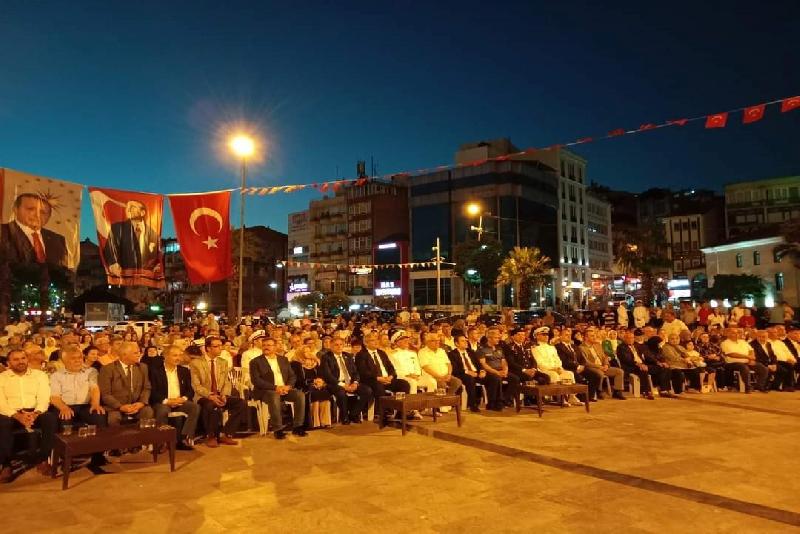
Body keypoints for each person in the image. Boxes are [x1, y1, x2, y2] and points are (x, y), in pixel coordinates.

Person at [0, 349, 59, 481]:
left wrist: (36, 413)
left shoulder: (39, 375)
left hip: (35, 411)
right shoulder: (2, 378)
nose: (20, 361)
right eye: (16, 359)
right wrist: (17, 415)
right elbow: (1, 402)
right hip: (10, 413)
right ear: (8, 363)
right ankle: (6, 464)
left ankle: (43, 459)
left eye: (23, 358)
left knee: (50, 419)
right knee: (3, 423)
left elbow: (44, 396)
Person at [48, 345, 108, 465]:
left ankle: (98, 454)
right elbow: (54, 397)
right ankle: (66, 456)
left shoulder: (91, 371)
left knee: (99, 415)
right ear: (64, 361)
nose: (78, 361)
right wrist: (64, 407)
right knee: (65, 419)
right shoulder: (56, 376)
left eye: (79, 358)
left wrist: (95, 403)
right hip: (64, 405)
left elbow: (94, 388)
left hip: (85, 405)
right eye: (73, 358)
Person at [190, 336, 245, 447]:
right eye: (217, 346)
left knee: (241, 403)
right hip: (203, 395)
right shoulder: (196, 363)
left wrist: (224, 394)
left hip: (220, 394)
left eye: (221, 346)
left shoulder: (223, 362)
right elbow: (196, 386)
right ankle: (211, 436)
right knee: (211, 405)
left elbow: (226, 381)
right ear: (208, 348)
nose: (221, 348)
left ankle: (227, 433)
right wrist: (210, 396)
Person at [250, 338, 307, 439]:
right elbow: (256, 380)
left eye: (269, 345)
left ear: (275, 347)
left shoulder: (283, 359)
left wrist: (288, 386)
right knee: (274, 395)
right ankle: (278, 429)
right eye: (264, 345)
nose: (266, 347)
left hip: (284, 389)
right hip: (266, 391)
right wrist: (275, 387)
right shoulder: (255, 362)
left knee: (300, 395)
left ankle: (298, 426)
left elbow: (292, 376)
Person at [149, 345, 199, 450]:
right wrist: (167, 401)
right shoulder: (155, 371)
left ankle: (184, 438)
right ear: (166, 356)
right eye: (175, 355)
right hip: (163, 402)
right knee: (162, 411)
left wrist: (183, 399)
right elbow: (152, 391)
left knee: (194, 407)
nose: (178, 358)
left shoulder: (184, 371)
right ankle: (162, 441)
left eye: (180, 355)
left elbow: (190, 390)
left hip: (180, 401)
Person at [0, 192, 68, 267]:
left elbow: (63, 269)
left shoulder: (58, 240)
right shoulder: (3, 232)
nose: (37, 215)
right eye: (31, 209)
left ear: (49, 216)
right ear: (15, 209)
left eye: (42, 212)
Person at [98, 341, 155, 425]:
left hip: (137, 405)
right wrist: (120, 407)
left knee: (148, 412)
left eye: (139, 352)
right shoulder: (108, 369)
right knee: (114, 418)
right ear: (124, 355)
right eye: (135, 353)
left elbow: (146, 388)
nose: (139, 355)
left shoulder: (143, 367)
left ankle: (143, 434)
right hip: (115, 407)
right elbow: (106, 394)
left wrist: (141, 403)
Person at [319, 337, 372, 425]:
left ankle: (353, 414)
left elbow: (355, 372)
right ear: (331, 346)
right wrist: (343, 385)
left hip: (350, 382)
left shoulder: (347, 356)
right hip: (335, 383)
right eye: (336, 345)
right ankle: (344, 416)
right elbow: (328, 375)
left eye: (341, 345)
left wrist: (355, 383)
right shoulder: (326, 357)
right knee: (341, 393)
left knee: (367, 390)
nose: (339, 347)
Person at [355, 332, 410, 413]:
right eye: (373, 340)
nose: (376, 342)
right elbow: (363, 372)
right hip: (373, 380)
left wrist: (391, 376)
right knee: (378, 386)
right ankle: (382, 411)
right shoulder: (361, 355)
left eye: (377, 339)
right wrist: (378, 378)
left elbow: (391, 368)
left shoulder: (382, 353)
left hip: (387, 379)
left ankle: (400, 411)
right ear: (366, 343)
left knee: (404, 384)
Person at [103, 199, 161, 276]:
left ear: (142, 213)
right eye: (127, 208)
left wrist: (157, 266)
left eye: (133, 207)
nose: (129, 210)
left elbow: (157, 254)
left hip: (146, 278)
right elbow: (109, 249)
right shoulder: (117, 228)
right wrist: (113, 264)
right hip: (124, 276)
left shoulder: (153, 234)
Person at [531, 327, 583, 406]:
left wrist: (558, 367)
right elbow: (539, 363)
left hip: (556, 368)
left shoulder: (551, 347)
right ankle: (560, 398)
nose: (546, 336)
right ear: (537, 336)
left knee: (569, 374)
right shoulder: (535, 348)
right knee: (554, 375)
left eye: (547, 334)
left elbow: (558, 359)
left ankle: (572, 397)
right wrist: (552, 369)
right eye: (544, 335)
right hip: (544, 370)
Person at [477, 327, 518, 411]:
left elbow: (504, 361)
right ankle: (492, 403)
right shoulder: (482, 349)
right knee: (496, 378)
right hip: (489, 372)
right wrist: (496, 372)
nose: (498, 339)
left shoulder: (499, 348)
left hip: (501, 370)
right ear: (489, 338)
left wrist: (505, 370)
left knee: (515, 379)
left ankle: (504, 400)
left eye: (498, 338)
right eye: (496, 338)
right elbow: (484, 364)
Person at [578, 328, 626, 400]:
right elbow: (586, 362)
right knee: (599, 373)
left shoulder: (598, 345)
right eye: (592, 336)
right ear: (586, 338)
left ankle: (617, 392)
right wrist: (599, 367)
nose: (594, 337)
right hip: (592, 368)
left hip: (603, 367)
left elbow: (604, 357)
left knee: (619, 371)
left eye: (594, 335)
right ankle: (599, 390)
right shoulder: (581, 348)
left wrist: (606, 365)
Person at [290, 347, 331, 429]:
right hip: (303, 386)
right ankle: (315, 423)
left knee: (325, 393)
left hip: (316, 385)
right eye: (305, 352)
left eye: (309, 351)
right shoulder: (295, 364)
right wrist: (312, 381)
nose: (308, 353)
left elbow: (321, 375)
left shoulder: (314, 362)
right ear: (300, 353)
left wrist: (320, 381)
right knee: (314, 394)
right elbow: (297, 380)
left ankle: (325, 422)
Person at [720, 328, 768, 393]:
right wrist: (748, 357)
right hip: (732, 363)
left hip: (747, 361)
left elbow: (751, 350)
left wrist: (751, 359)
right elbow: (731, 354)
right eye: (734, 333)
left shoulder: (743, 342)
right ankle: (748, 387)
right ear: (728, 334)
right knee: (744, 367)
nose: (736, 334)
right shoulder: (725, 343)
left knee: (763, 368)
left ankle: (759, 386)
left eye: (737, 333)